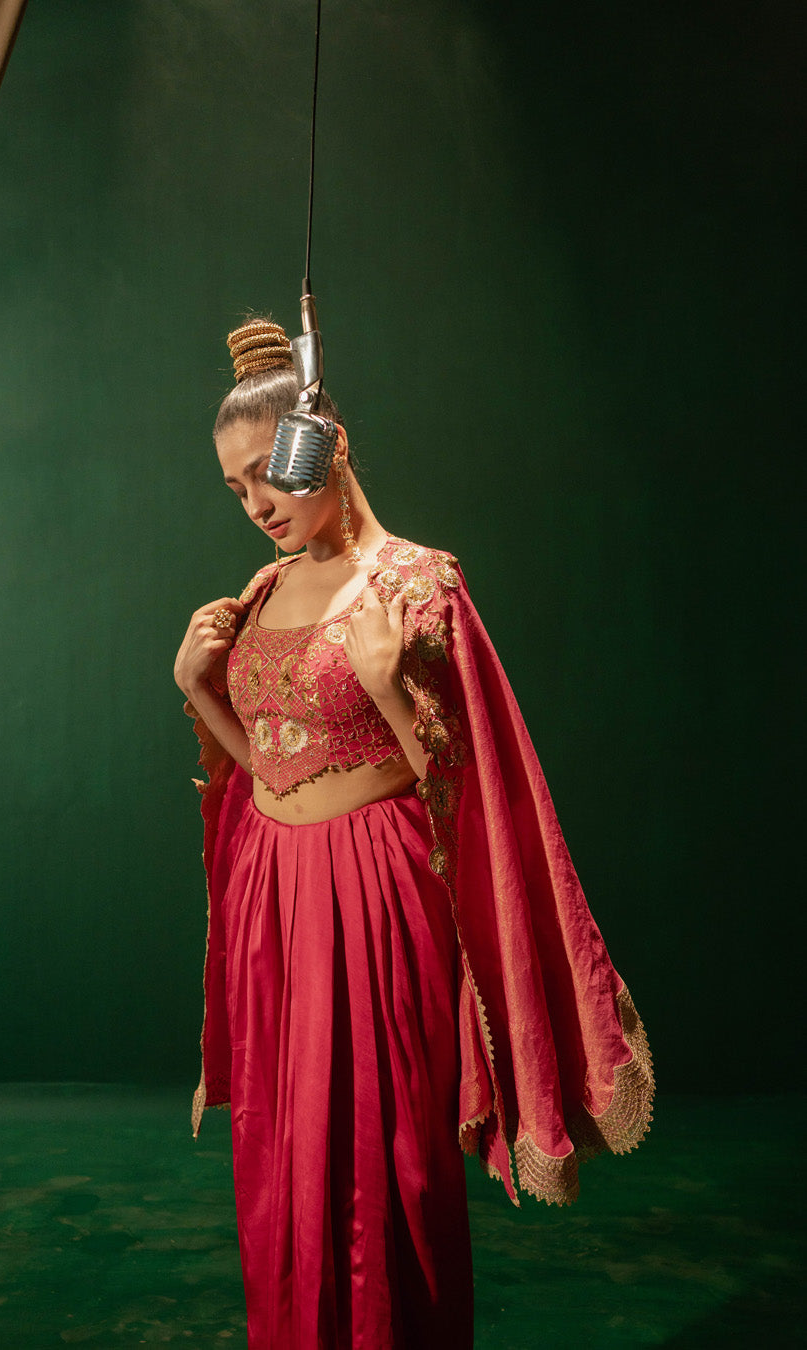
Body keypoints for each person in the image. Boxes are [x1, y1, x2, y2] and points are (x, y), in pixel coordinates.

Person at [173, 318, 654, 1349]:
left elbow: (462, 785)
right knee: (282, 1154)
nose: (258, 505)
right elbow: (271, 763)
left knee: (384, 1154)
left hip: (375, 894)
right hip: (274, 895)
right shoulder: (260, 593)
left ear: (326, 446)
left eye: (270, 474)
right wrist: (196, 690)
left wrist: (392, 686)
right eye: (236, 489)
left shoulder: (416, 582)